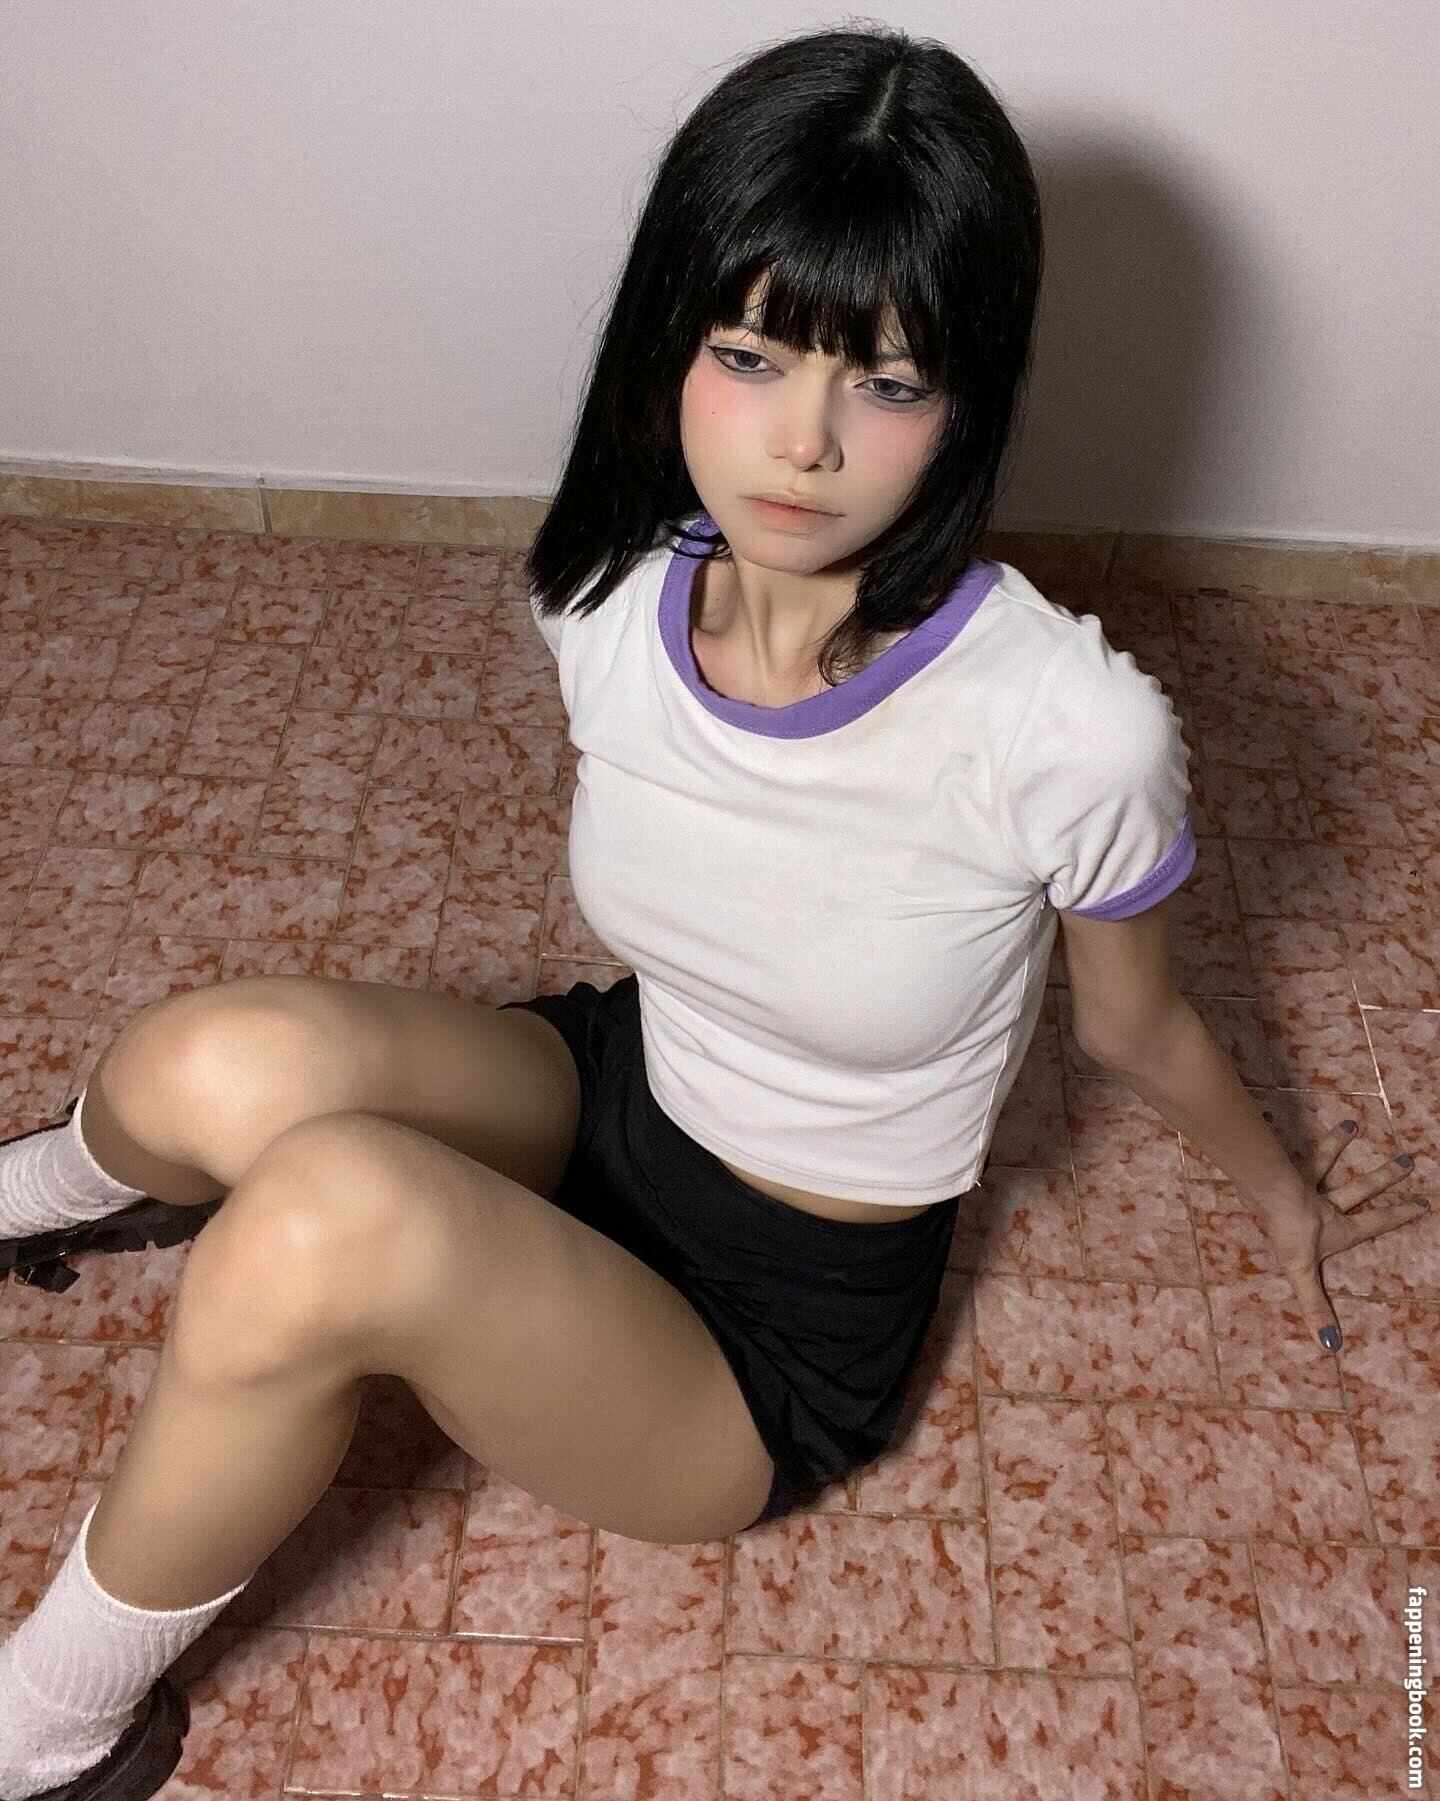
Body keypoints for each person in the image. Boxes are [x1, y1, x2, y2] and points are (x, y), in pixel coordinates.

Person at [0, 23, 1422, 1801]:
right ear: (670, 335)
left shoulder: (1069, 730)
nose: (802, 444)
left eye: (886, 382)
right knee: (199, 1056)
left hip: (772, 1338)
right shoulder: (608, 592)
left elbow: (1135, 1023)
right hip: (625, 1091)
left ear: (969, 398)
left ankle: (41, 1730)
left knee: (317, 1221)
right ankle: (41, 1195)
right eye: (749, 355)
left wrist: (1289, 1196)